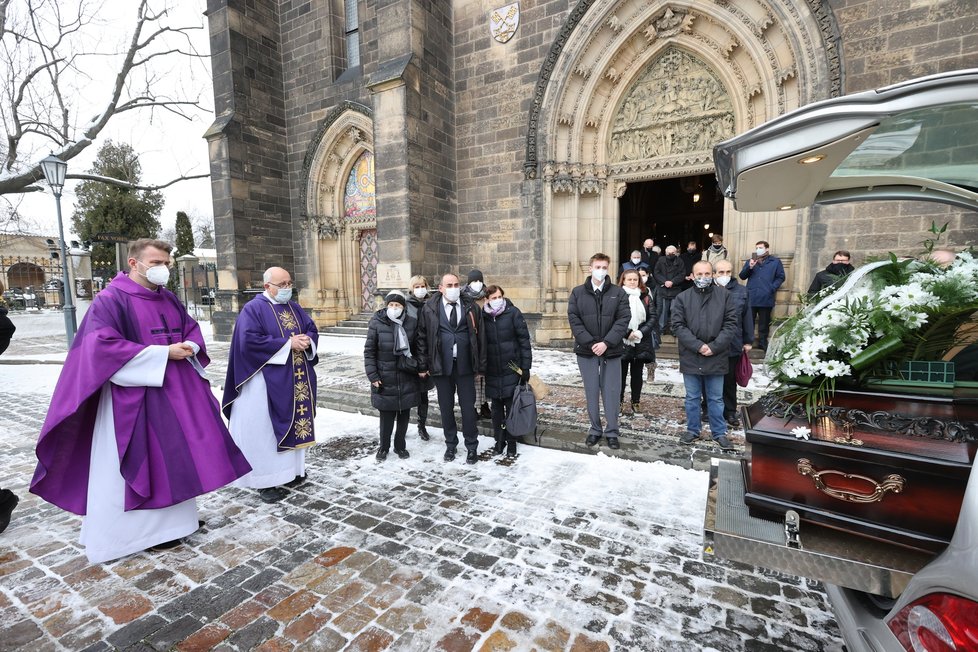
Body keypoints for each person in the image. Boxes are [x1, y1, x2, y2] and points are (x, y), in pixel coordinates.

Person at [30, 239, 251, 563]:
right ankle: (132, 535)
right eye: (157, 261)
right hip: (130, 401)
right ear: (134, 263)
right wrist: (163, 353)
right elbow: (100, 347)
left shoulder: (168, 298)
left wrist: (189, 344)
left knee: (177, 460)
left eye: (167, 262)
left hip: (173, 396)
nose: (164, 268)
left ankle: (177, 525)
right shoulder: (110, 300)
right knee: (142, 460)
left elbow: (190, 329)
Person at [222, 267, 319, 503]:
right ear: (267, 286)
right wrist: (288, 344)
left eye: (289, 283)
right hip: (263, 384)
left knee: (297, 422)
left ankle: (291, 472)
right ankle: (264, 481)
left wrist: (307, 341)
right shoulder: (253, 309)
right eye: (282, 284)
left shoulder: (293, 306)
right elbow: (249, 342)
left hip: (296, 379)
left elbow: (310, 327)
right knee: (264, 430)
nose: (288, 288)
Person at [416, 272, 487, 464]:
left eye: (456, 284)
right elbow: (422, 337)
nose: (454, 288)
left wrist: (480, 366)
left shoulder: (470, 306)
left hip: (465, 366)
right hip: (441, 366)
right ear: (440, 288)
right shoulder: (430, 308)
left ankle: (472, 446)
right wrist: (423, 364)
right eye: (449, 285)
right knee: (446, 408)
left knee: (468, 408)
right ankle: (451, 444)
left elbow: (481, 338)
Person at [672, 261, 739, 452]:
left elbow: (730, 324)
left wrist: (714, 347)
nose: (704, 277)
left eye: (707, 273)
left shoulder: (725, 296)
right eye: (699, 274)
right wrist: (698, 346)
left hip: (716, 355)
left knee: (716, 398)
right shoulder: (682, 298)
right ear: (692, 276)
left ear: (713, 275)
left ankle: (719, 433)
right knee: (692, 397)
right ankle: (693, 430)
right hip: (691, 355)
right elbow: (678, 325)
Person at [568, 253, 630, 449]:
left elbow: (623, 320)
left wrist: (606, 342)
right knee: (591, 391)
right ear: (590, 268)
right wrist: (591, 343)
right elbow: (574, 319)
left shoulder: (618, 293)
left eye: (604, 267)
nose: (601, 271)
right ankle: (595, 429)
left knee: (611, 391)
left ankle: (612, 431)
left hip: (611, 350)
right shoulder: (577, 293)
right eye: (598, 267)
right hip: (587, 350)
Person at [364, 291, 422, 461]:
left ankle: (400, 445)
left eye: (398, 305)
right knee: (386, 416)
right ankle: (384, 447)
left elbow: (419, 348)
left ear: (403, 307)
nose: (394, 308)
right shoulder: (377, 322)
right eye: (391, 305)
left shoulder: (411, 323)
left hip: (406, 375)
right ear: (387, 306)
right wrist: (373, 375)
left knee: (404, 414)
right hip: (384, 376)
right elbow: (369, 351)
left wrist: (418, 364)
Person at [482, 285, 532, 458]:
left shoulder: (513, 313)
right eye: (492, 298)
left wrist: (525, 367)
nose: (496, 300)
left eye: (499, 297)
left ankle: (511, 442)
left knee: (512, 408)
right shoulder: (483, 316)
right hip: (493, 370)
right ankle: (499, 440)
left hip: (512, 368)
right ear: (487, 299)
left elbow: (524, 341)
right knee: (496, 409)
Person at [713, 260, 753, 428]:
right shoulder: (707, 290)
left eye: (728, 272)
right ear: (714, 273)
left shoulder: (741, 291)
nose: (725, 276)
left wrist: (748, 340)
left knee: (729, 380)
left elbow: (747, 316)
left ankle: (730, 411)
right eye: (721, 272)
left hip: (733, 342)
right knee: (709, 379)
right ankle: (708, 408)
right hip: (711, 343)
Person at [618, 269, 658, 416]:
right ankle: (618, 402)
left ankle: (636, 401)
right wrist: (627, 333)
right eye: (630, 279)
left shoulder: (646, 295)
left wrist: (640, 332)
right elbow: (614, 318)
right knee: (620, 375)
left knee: (637, 375)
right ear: (623, 280)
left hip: (641, 340)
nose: (633, 282)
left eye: (635, 279)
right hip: (622, 341)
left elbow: (653, 317)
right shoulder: (618, 295)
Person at [738, 240, 785, 350]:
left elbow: (780, 277)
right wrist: (749, 267)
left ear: (767, 249)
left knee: (764, 322)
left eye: (760, 247)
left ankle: (763, 343)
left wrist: (772, 288)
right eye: (756, 248)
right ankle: (747, 342)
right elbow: (742, 276)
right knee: (749, 321)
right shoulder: (751, 261)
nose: (758, 250)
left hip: (766, 296)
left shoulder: (775, 261)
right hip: (751, 296)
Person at [406, 274, 434, 441]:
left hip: (427, 354)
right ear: (411, 289)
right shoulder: (406, 305)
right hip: (411, 354)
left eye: (422, 285)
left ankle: (421, 425)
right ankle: (402, 424)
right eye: (416, 286)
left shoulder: (431, 304)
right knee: (408, 391)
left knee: (423, 394)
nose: (420, 289)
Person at [462, 269, 492, 421]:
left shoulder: (487, 296)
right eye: (474, 281)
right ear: (468, 283)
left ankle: (485, 405)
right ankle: (473, 407)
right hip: (471, 340)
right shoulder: (463, 298)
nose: (477, 283)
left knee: (485, 377)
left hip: (486, 339)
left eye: (479, 280)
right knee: (473, 377)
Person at [653, 245, 686, 335]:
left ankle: (674, 329)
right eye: (668, 253)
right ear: (665, 252)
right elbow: (656, 272)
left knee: (674, 310)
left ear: (675, 253)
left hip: (675, 289)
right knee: (663, 311)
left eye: (672, 253)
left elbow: (682, 274)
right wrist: (664, 281)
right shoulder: (661, 260)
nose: (670, 254)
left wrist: (672, 282)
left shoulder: (680, 261)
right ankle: (661, 329)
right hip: (663, 289)